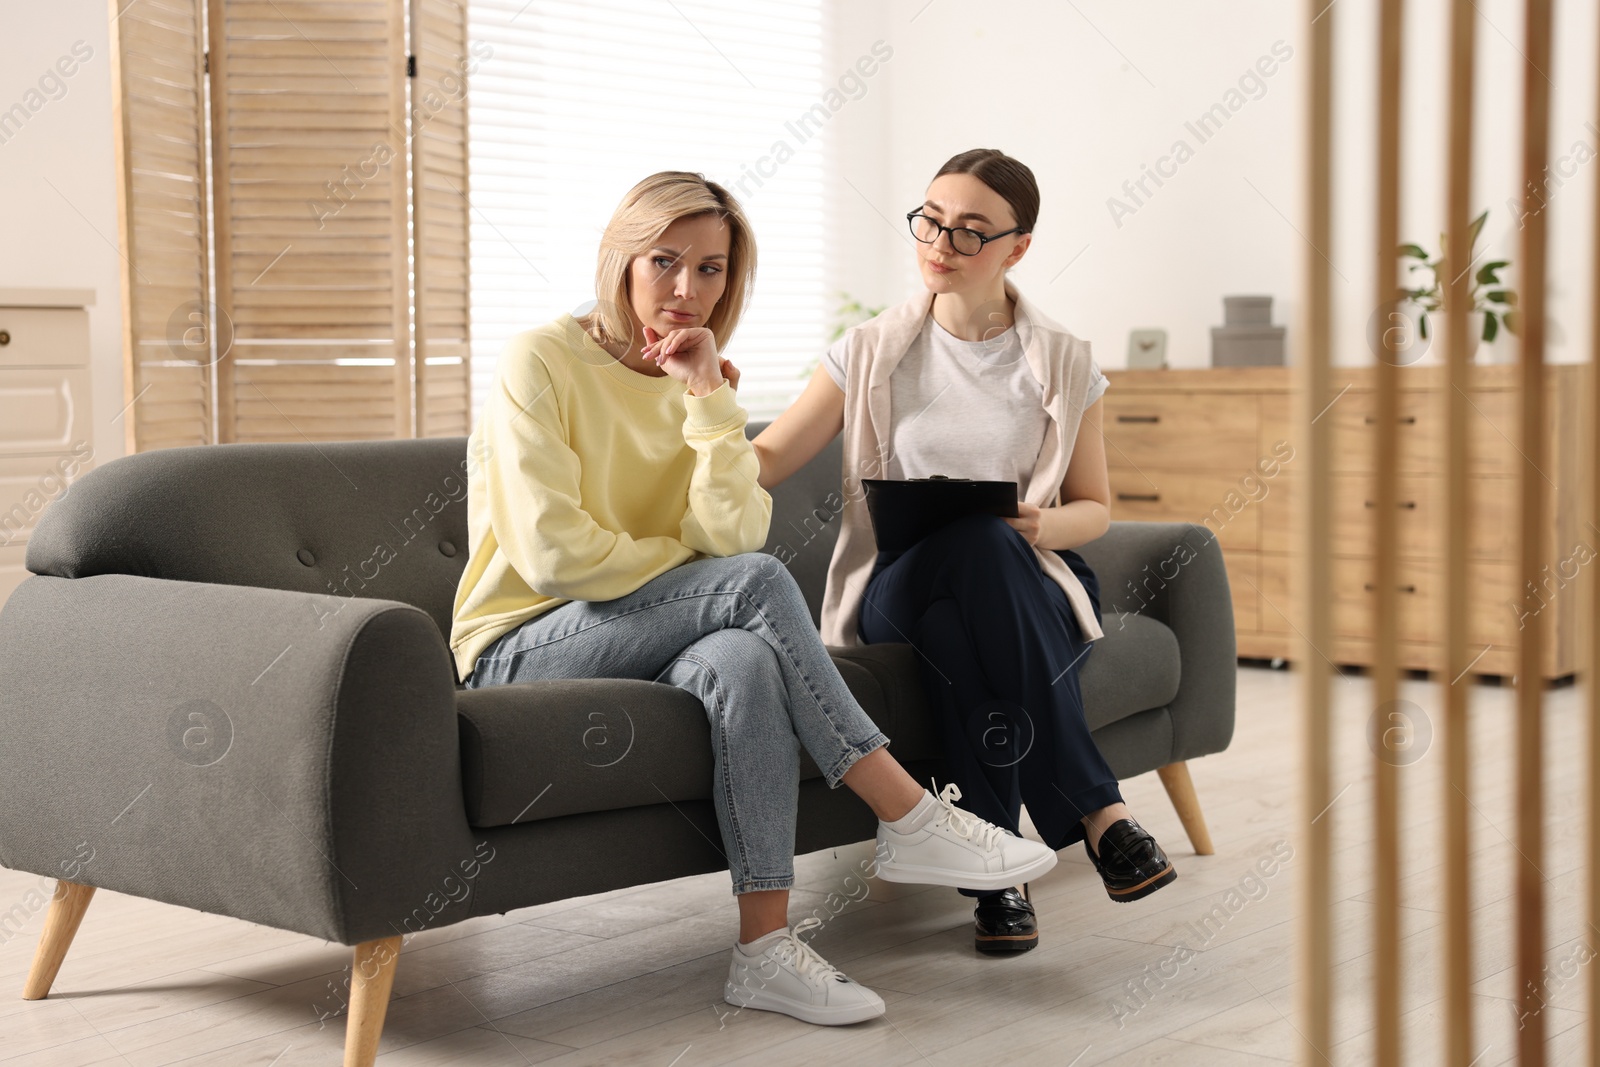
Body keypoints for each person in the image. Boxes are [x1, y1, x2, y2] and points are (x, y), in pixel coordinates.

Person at [449, 171, 1059, 1026]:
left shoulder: (695, 371)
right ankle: (906, 809)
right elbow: (557, 555)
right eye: (664, 261)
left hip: (645, 627)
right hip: (518, 646)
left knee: (742, 657)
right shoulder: (541, 360)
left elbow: (731, 536)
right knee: (754, 590)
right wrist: (687, 568)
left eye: (711, 269)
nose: (685, 290)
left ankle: (764, 950)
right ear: (621, 257)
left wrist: (705, 396)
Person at [751, 149, 1176, 956]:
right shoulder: (870, 350)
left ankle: (995, 876)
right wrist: (698, 400)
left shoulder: (1062, 358)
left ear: (1017, 247)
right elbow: (768, 457)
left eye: (971, 232)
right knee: (966, 563)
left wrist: (1041, 527)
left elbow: (1095, 507)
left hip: (1028, 570)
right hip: (896, 583)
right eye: (931, 220)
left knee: (965, 610)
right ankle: (1099, 811)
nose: (940, 243)